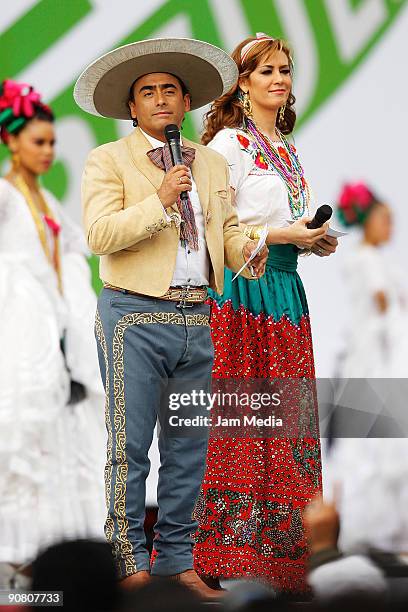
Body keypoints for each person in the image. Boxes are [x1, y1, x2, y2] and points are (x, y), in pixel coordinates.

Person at [74, 37, 267, 599]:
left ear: (187, 104)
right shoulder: (107, 159)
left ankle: (176, 561)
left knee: (191, 445)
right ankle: (125, 562)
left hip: (196, 315)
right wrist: (159, 198)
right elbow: (99, 236)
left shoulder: (208, 161)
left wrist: (268, 249)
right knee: (129, 444)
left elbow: (227, 236)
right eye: (147, 92)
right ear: (132, 107)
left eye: (170, 91)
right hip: (132, 314)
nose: (160, 99)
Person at [192, 33, 338, 594]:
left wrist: (310, 242)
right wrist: (282, 234)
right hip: (243, 292)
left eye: (285, 69)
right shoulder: (230, 143)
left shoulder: (286, 147)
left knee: (288, 421)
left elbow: (281, 224)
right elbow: (215, 228)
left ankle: (282, 560)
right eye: (266, 70)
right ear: (243, 81)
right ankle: (223, 557)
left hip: (283, 289)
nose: (279, 79)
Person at [0, 80, 106, 583]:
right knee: (26, 434)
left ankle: (52, 555)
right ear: (11, 140)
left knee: (64, 439)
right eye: (38, 142)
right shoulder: (4, 195)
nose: (48, 151)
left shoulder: (44, 198)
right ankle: (13, 552)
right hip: (23, 338)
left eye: (52, 142)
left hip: (61, 335)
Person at [322, 182, 408, 554]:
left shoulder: (380, 260)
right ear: (367, 221)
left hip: (383, 353)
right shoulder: (365, 260)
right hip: (374, 356)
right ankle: (366, 527)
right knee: (370, 443)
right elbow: (384, 305)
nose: (391, 227)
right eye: (384, 219)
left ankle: (388, 526)